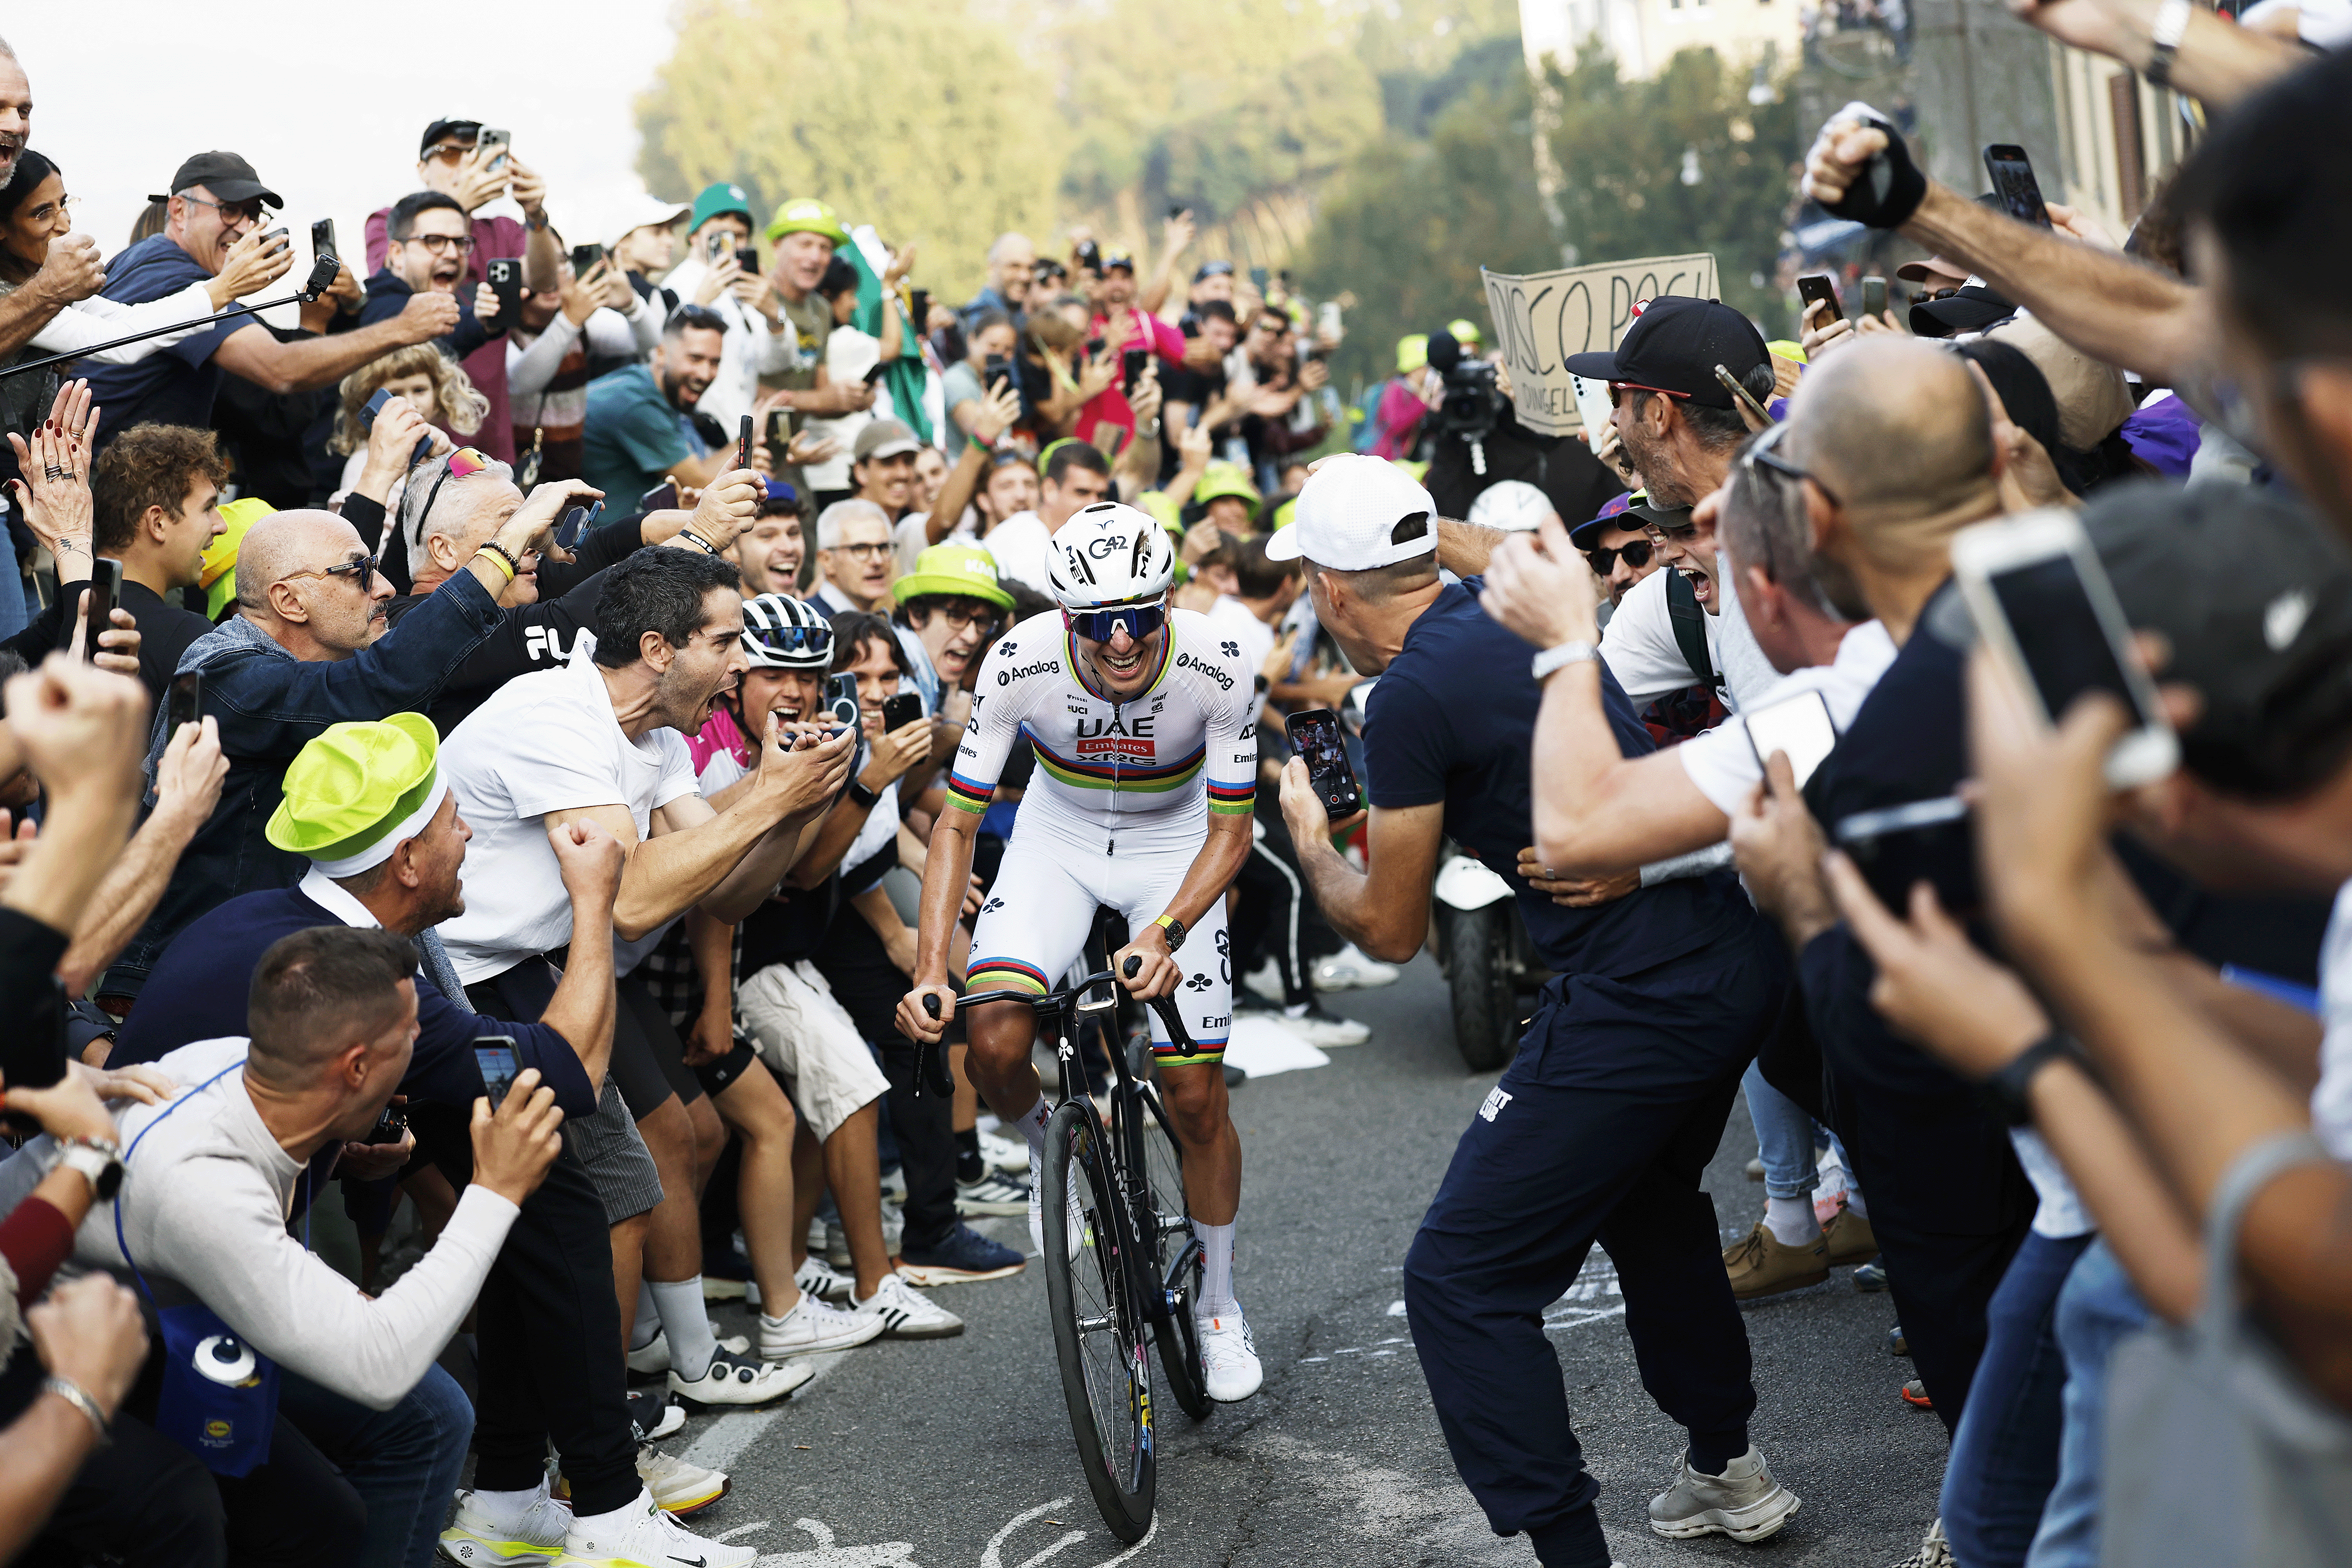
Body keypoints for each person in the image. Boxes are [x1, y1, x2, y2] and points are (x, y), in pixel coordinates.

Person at [1267, 455, 1801, 1566]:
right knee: (1649, 1204)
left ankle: (1573, 1551)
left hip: (1642, 992)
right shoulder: (1513, 600)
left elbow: (1391, 929)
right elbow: (1490, 549)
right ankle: (1727, 1465)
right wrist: (1414, 519)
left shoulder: (1411, 691)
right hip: (1729, 959)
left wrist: (1313, 837)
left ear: (1328, 588)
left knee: (1458, 1277)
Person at [3, 925, 576, 1568]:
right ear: (357, 1066)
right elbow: (380, 1363)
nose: (421, 1044)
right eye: (409, 1034)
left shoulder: (246, 1063)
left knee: (351, 1490)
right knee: (180, 1508)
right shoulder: (199, 1183)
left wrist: (347, 1150)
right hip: (29, 1339)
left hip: (145, 1305)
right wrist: (496, 1188)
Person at [436, 548, 861, 1403]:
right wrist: (770, 800)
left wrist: (794, 802)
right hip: (462, 984)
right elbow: (628, 897)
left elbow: (730, 892)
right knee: (594, 1202)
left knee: (611, 1194)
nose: (744, 664)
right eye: (728, 642)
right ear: (661, 649)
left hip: (536, 972)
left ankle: (593, 1431)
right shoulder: (556, 719)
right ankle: (594, 1435)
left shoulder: (657, 735)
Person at [897, 501, 1267, 1399]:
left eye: (1143, 615)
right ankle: (1048, 1151)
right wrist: (930, 971)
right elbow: (956, 823)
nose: (1124, 640)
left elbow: (1232, 834)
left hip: (1177, 844)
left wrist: (1168, 930)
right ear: (1067, 620)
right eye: (1099, 623)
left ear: (1169, 601)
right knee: (989, 1043)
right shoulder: (1018, 662)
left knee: (1193, 1092)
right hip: (1058, 837)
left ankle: (1218, 1304)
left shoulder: (1219, 664)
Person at [101, 486, 582, 1005]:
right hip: (193, 1000)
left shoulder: (283, 670)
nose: (385, 588)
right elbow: (379, 684)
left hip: (279, 984)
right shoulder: (221, 676)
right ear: (289, 601)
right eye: (359, 572)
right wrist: (507, 544)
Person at [82, 153, 456, 450]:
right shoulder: (173, 278)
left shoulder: (142, 259)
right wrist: (403, 328)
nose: (246, 228)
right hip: (103, 493)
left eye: (253, 214)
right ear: (179, 210)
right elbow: (281, 371)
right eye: (229, 210)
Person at [0, 149, 290, 484]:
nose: (65, 223)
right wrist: (223, 288)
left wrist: (221, 289)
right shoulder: (21, 298)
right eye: (42, 213)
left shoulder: (39, 284)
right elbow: (118, 344)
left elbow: (130, 321)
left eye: (64, 204)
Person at [362, 119, 566, 464]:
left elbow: (545, 281)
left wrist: (535, 214)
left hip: (490, 439)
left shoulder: (501, 230)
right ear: (422, 168)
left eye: (477, 152)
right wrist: (455, 205)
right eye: (451, 154)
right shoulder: (389, 223)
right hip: (414, 442)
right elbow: (389, 289)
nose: (469, 163)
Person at [657, 183, 797, 436]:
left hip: (740, 435)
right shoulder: (673, 288)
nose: (731, 241)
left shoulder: (744, 289)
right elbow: (660, 362)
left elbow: (775, 364)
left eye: (740, 235)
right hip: (697, 435)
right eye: (720, 233)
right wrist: (698, 304)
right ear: (694, 236)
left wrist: (774, 316)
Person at [580, 305, 729, 503]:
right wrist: (750, 441)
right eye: (695, 358)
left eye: (714, 363)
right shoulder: (636, 405)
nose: (705, 374)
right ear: (661, 353)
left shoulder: (646, 382)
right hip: (599, 529)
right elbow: (703, 484)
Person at [982, 440, 1109, 595]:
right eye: (1082, 492)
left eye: (1101, 495)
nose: (1094, 504)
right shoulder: (1024, 536)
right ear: (1049, 490)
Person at [806, 500, 897, 616]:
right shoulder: (809, 628)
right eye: (860, 549)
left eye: (883, 547)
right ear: (827, 561)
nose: (878, 561)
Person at [732, 480, 806, 596]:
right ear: (732, 549)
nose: (788, 548)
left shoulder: (811, 613)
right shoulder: (709, 614)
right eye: (767, 536)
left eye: (793, 533)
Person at [959, 232, 1034, 333]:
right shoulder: (973, 321)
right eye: (1014, 266)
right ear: (992, 268)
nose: (1025, 277)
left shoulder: (1025, 318)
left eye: (1031, 268)